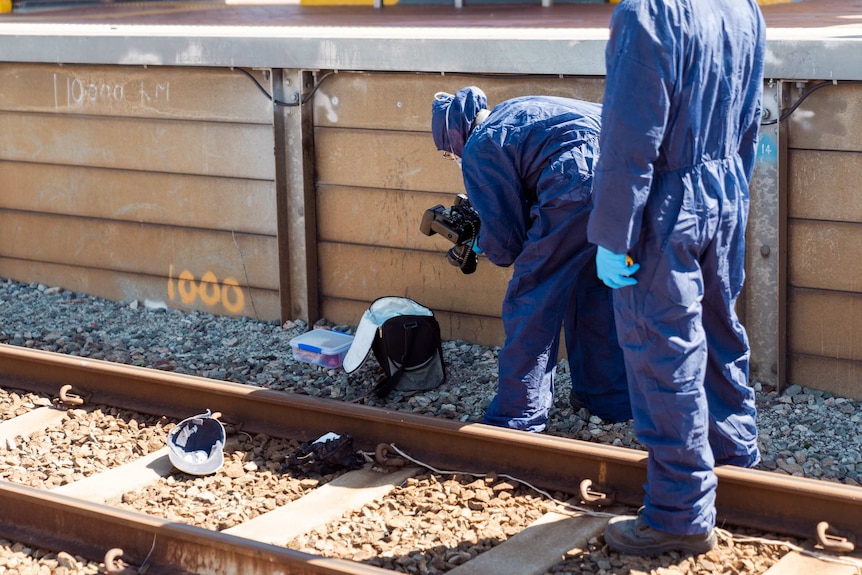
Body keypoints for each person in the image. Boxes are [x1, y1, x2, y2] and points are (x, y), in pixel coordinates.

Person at [586, 0, 766, 556]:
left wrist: (612, 234)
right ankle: (734, 466)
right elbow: (750, 116)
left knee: (663, 352)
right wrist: (729, 190)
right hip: (725, 190)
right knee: (718, 333)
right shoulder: (743, 8)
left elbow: (628, 138)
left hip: (666, 203)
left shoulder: (647, 13)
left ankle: (679, 513)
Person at [430, 86, 632, 433]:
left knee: (531, 298)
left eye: (448, 155)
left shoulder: (481, 145)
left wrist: (480, 243)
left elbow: (507, 243)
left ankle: (517, 416)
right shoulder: (516, 111)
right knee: (593, 288)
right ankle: (609, 399)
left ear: (454, 136)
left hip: (576, 188)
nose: (454, 160)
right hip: (628, 180)